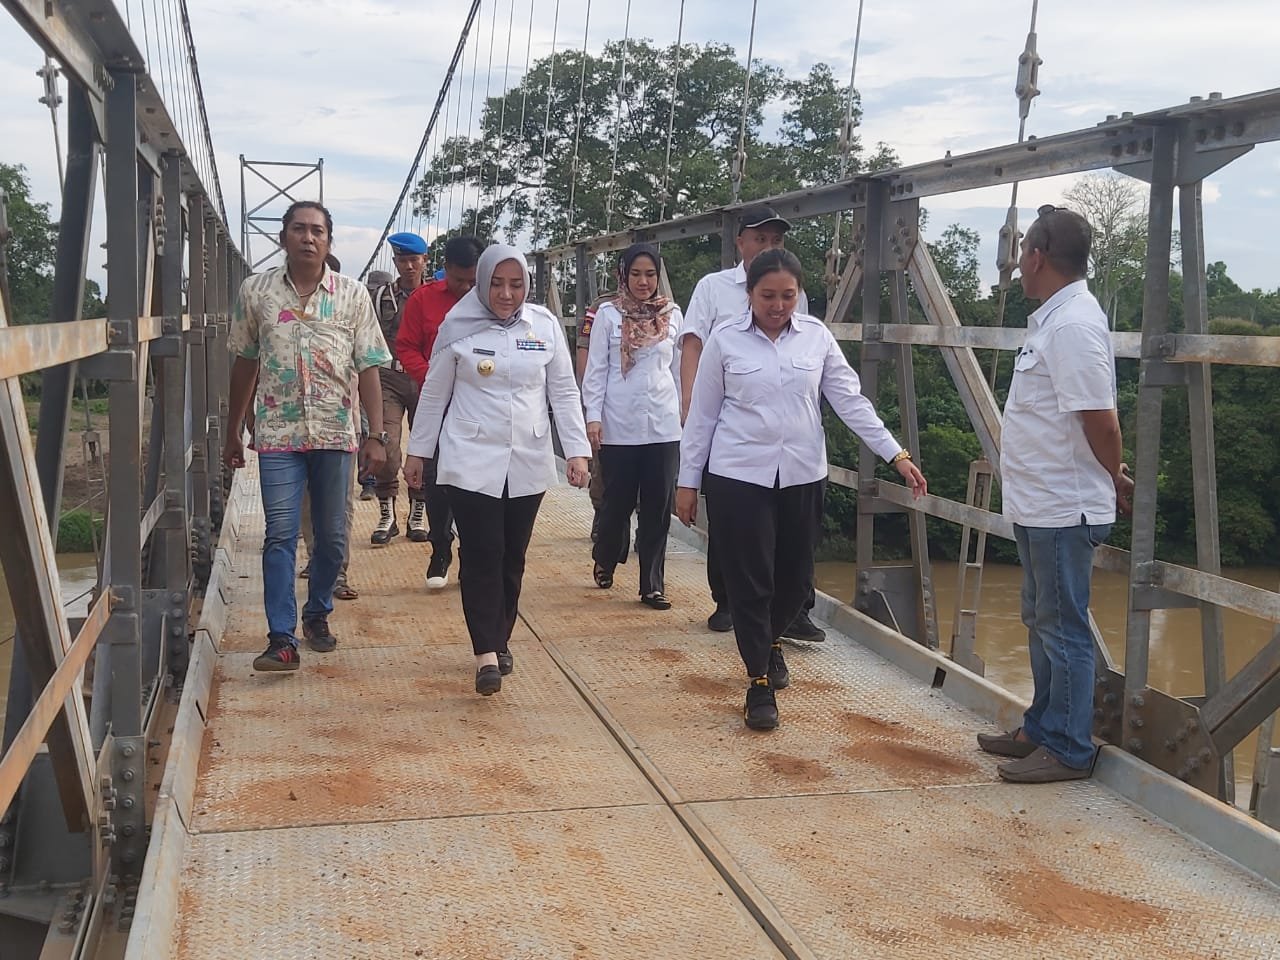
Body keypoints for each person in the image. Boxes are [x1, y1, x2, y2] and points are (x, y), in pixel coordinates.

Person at [676, 249, 927, 731]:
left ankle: (770, 640)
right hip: (738, 477)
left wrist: (896, 454)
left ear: (800, 294)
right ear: (749, 294)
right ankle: (758, 682)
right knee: (750, 581)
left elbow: (850, 401)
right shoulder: (725, 341)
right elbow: (703, 417)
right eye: (767, 296)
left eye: (787, 296)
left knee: (795, 579)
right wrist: (688, 483)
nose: (778, 306)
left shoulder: (816, 337)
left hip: (802, 475)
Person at [978, 205, 1133, 783]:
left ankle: (1068, 747)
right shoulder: (1054, 320)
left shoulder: (1071, 327)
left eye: (1022, 253)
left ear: (1038, 256)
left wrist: (1112, 475)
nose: (1018, 263)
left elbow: (1101, 420)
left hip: (1063, 507)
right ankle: (1041, 728)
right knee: (1040, 618)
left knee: (1063, 627)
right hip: (1040, 502)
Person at [404, 245, 590, 696]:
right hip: (469, 457)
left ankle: (500, 636)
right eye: (497, 284)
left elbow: (564, 391)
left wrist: (577, 451)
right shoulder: (457, 326)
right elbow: (434, 394)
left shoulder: (543, 325)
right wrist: (418, 453)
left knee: (512, 556)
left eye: (516, 284)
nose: (507, 294)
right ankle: (485, 652)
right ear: (483, 282)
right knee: (482, 552)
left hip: (526, 457)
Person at [224, 201, 391, 672]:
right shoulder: (255, 292)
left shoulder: (352, 295)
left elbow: (369, 366)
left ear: (329, 241)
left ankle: (317, 612)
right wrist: (234, 429)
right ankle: (281, 638)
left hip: (336, 434)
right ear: (284, 237)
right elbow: (244, 361)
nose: (308, 237)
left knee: (332, 539)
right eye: (299, 229)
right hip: (278, 435)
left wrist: (377, 434)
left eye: (317, 230)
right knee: (279, 535)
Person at [678, 204, 825, 645]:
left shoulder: (789, 286)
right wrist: (690, 401)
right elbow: (693, 343)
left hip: (784, 427)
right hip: (728, 416)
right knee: (732, 521)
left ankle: (791, 611)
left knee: (789, 528)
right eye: (759, 238)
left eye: (775, 239)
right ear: (740, 241)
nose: (767, 246)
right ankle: (728, 600)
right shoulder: (712, 287)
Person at [581, 244, 683, 608]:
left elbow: (678, 370)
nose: (643, 282)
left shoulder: (672, 314)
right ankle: (606, 556)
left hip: (663, 425)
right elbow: (596, 370)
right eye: (636, 274)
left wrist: (685, 415)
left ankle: (652, 584)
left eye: (650, 274)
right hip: (619, 424)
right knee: (616, 503)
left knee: (658, 508)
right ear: (623, 276)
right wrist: (593, 417)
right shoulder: (608, 315)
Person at [397, 235, 485, 587]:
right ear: (444, 268)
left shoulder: (493, 300)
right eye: (459, 279)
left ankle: (472, 555)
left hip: (480, 406)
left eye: (473, 280)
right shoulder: (423, 299)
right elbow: (406, 346)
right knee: (435, 481)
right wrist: (433, 378)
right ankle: (440, 547)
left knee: (476, 481)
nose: (466, 288)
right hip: (436, 404)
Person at [298, 253, 361, 600]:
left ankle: (337, 571)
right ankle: (316, 558)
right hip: (295, 426)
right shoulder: (288, 318)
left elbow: (369, 368)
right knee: (307, 500)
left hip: (340, 425)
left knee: (340, 505)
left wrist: (374, 431)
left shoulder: (353, 313)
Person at [368, 232, 430, 545]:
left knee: (424, 447)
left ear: (424, 261)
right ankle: (386, 514)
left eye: (414, 260)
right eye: (403, 260)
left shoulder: (434, 296)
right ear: (395, 262)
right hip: (388, 377)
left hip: (425, 379)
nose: (408, 266)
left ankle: (417, 512)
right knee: (387, 444)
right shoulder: (381, 298)